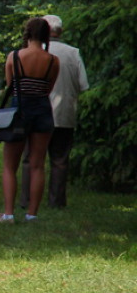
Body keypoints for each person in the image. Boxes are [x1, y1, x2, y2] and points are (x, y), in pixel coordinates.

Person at [19, 14, 88, 209]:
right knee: (59, 160)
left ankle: (27, 199)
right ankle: (56, 202)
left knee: (30, 158)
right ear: (61, 31)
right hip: (64, 113)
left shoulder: (28, 53)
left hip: (34, 112)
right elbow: (83, 84)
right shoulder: (73, 53)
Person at [0, 17, 59, 223]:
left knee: (9, 165)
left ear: (27, 33)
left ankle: (8, 213)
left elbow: (10, 84)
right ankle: (32, 213)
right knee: (38, 164)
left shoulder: (14, 56)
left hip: (19, 110)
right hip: (42, 110)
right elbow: (48, 88)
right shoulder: (52, 60)